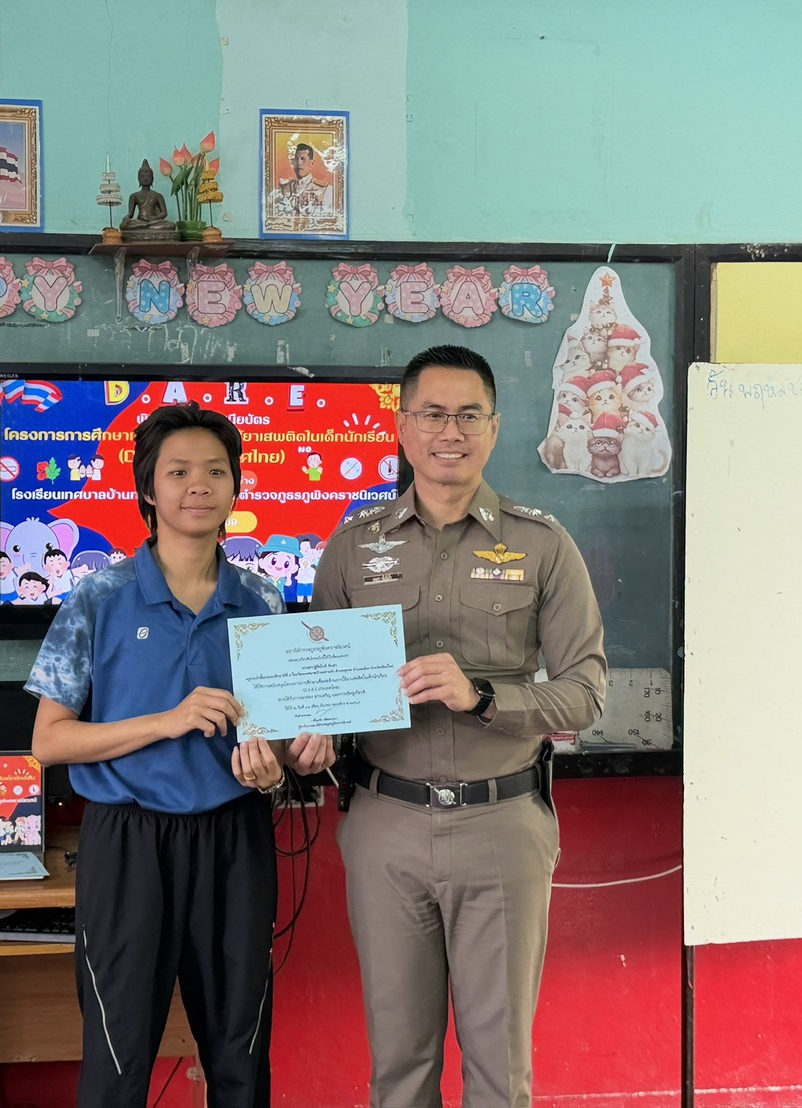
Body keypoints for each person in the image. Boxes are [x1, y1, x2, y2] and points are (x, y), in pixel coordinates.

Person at [311, 345, 607, 1108]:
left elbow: (584, 693)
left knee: (499, 1071)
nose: (451, 431)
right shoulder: (350, 547)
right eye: (433, 414)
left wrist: (482, 697)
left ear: (494, 427)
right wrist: (308, 740)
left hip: (500, 823)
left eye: (469, 415)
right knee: (399, 1067)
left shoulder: (542, 544)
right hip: (385, 825)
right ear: (401, 426)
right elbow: (321, 696)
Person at [26, 402, 334, 1108]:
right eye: (178, 471)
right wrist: (166, 722)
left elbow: (280, 737)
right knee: (118, 1053)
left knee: (239, 1052)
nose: (199, 485)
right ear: (147, 488)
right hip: (127, 842)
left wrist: (293, 755)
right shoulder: (99, 597)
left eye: (216, 471)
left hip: (234, 840)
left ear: (236, 487)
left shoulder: (260, 598)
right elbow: (50, 740)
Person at [277, 142, 330, 217]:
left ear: (312, 163)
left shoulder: (325, 189)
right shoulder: (284, 188)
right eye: (296, 159)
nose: (299, 163)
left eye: (303, 159)